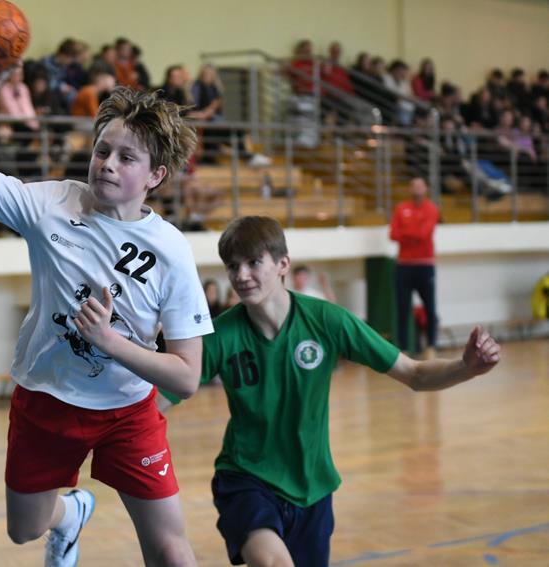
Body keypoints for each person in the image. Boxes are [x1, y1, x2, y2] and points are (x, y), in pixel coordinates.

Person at [0, 69, 213, 566]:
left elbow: (187, 377)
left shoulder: (171, 250)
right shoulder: (50, 204)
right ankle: (70, 514)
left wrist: (110, 342)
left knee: (170, 548)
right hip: (47, 398)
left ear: (155, 176)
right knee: (24, 529)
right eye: (102, 150)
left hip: (128, 411)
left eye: (126, 157)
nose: (107, 164)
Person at [162, 215, 501, 567]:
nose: (241, 275)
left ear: (283, 264)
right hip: (246, 478)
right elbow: (160, 400)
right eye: (233, 266)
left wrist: (466, 367)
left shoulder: (326, 320)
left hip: (313, 489)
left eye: (253, 262)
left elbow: (413, 373)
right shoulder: (219, 336)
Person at [389, 177, 440, 356]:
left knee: (430, 307)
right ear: (410, 188)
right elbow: (393, 234)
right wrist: (413, 232)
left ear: (426, 188)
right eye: (414, 185)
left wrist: (406, 232)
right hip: (404, 265)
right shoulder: (401, 208)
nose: (417, 188)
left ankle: (431, 346)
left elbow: (424, 234)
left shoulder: (431, 209)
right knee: (403, 308)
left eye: (420, 185)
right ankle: (403, 348)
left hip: (425, 265)